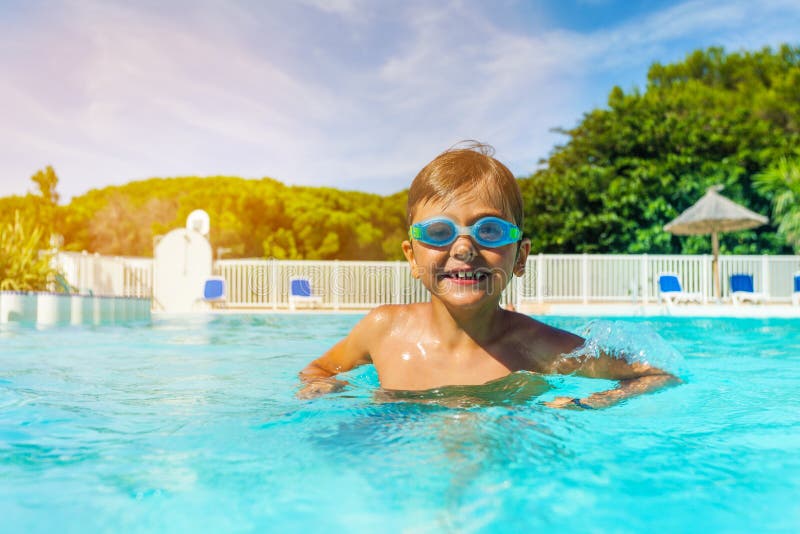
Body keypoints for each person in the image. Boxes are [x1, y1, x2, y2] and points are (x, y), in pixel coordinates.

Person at [299, 143, 678, 408]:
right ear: (412, 257)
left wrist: (587, 404)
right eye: (438, 232)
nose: (463, 248)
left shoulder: (539, 347)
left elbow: (658, 375)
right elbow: (317, 370)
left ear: (520, 257)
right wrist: (323, 390)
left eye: (490, 231)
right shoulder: (383, 329)